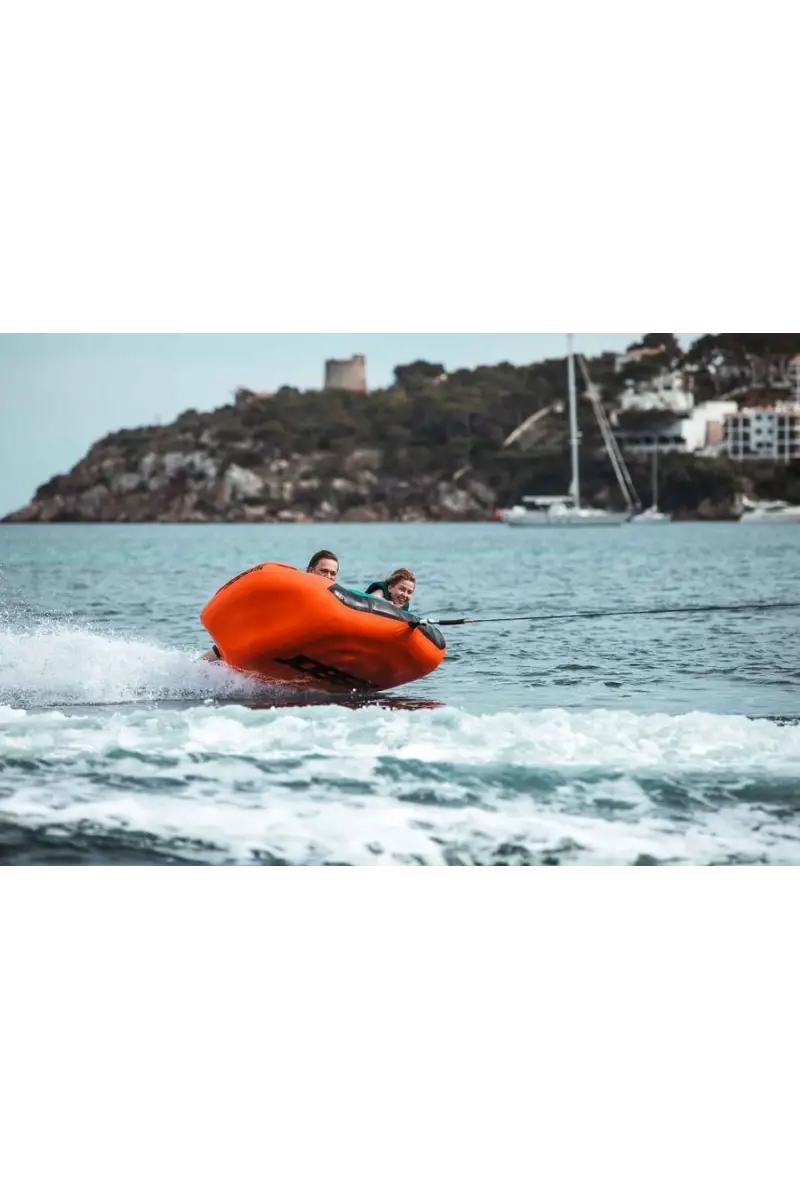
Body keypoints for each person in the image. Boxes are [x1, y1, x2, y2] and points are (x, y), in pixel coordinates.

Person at [199, 550, 340, 661]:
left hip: (299, 646)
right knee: (225, 648)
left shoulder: (337, 600)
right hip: (267, 634)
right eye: (324, 571)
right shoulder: (295, 587)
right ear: (310, 570)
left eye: (332, 573)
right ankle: (198, 666)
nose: (328, 576)